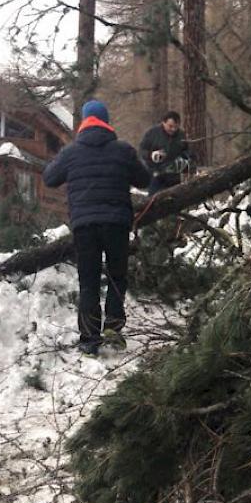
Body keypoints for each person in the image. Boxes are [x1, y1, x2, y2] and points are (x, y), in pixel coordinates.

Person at [43, 100, 151, 356]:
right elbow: (144, 180)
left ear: (84, 122)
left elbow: (49, 178)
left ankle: (89, 340)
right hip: (116, 224)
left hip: (84, 226)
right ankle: (113, 331)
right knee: (117, 277)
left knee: (89, 282)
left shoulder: (71, 153)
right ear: (106, 121)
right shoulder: (122, 150)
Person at [139, 110, 190, 196]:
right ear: (164, 123)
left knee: (175, 201)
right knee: (153, 200)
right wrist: (152, 155)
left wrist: (184, 161)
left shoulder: (181, 135)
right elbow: (141, 150)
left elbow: (187, 152)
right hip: (155, 174)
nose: (173, 129)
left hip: (174, 176)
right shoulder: (152, 133)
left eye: (176, 127)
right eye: (170, 126)